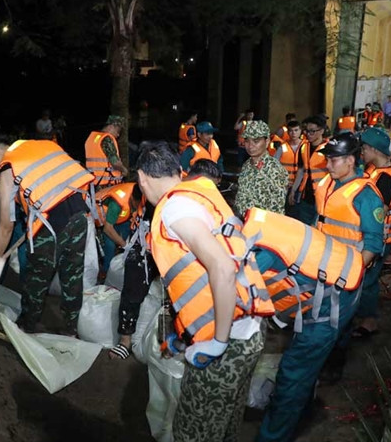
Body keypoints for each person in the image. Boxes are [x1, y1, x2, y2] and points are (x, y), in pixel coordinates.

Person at [138, 141, 273, 442]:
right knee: (224, 422)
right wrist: (185, 333)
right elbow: (197, 275)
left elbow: (222, 268)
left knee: (194, 431)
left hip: (230, 340)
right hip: (249, 329)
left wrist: (218, 343)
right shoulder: (198, 192)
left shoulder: (174, 209)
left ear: (142, 178)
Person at [244, 208, 365, 442]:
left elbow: (237, 297)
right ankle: (302, 408)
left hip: (336, 299)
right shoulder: (254, 224)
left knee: (293, 372)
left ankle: (272, 437)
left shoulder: (257, 254)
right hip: (345, 273)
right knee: (303, 367)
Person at [0, 133, 96, 335]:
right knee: (72, 277)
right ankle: (70, 329)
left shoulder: (8, 171)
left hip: (50, 225)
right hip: (79, 215)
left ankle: (26, 327)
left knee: (36, 280)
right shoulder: (42, 146)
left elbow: (6, 227)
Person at [314, 132, 385, 381]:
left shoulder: (366, 195)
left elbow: (374, 243)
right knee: (322, 320)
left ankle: (334, 366)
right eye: (328, 159)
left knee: (339, 324)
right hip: (322, 267)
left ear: (351, 161)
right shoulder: (329, 185)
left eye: (334, 160)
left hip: (346, 273)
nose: (328, 164)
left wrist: (353, 272)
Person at [356, 128, 391, 337]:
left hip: (380, 238)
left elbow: (378, 214)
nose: (362, 152)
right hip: (379, 236)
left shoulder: (385, 179)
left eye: (364, 148)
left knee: (368, 280)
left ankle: (369, 321)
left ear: (374, 149)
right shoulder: (378, 170)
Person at [108, 185, 155, 361]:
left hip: (169, 244)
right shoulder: (141, 194)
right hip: (144, 244)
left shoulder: (176, 199)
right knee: (133, 288)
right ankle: (125, 340)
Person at [234, 120, 289, 216]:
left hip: (262, 227)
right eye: (247, 140)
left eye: (256, 141)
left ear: (267, 141)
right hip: (243, 224)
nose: (250, 146)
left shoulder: (275, 170)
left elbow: (277, 211)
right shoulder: (247, 165)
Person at [95, 182, 144, 276]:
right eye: (137, 204)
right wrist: (124, 245)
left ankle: (119, 252)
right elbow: (107, 228)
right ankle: (106, 271)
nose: (139, 207)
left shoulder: (139, 190)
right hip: (105, 219)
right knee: (110, 245)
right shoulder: (116, 203)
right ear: (132, 199)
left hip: (121, 218)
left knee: (127, 230)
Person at [289, 116, 329, 225]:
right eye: (307, 131)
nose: (309, 134)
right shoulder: (304, 147)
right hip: (305, 196)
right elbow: (301, 170)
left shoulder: (328, 149)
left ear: (321, 131)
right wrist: (293, 190)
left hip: (322, 197)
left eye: (313, 131)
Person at [85, 115, 129, 188]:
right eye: (118, 131)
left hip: (93, 184)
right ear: (111, 126)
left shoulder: (92, 138)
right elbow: (115, 162)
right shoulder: (107, 139)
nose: (118, 135)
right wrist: (124, 170)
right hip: (107, 184)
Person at [273, 119, 304, 199]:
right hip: (284, 185)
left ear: (300, 131)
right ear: (288, 132)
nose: (293, 133)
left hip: (300, 185)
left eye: (296, 130)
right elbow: (274, 165)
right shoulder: (282, 147)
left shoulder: (305, 146)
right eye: (291, 131)